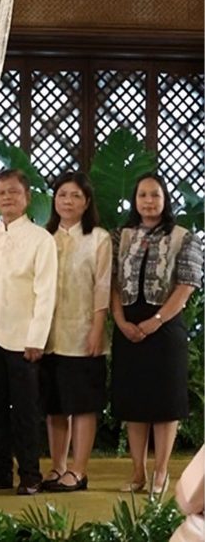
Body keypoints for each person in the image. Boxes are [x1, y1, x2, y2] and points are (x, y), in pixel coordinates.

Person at [111, 172, 202, 495]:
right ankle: (138, 473)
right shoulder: (120, 236)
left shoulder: (184, 237)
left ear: (165, 200)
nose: (149, 201)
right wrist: (120, 322)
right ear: (135, 201)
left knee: (164, 404)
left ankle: (161, 472)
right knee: (134, 403)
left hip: (165, 329)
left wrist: (157, 320)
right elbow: (110, 284)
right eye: (143, 196)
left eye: (155, 195)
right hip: (128, 327)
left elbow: (188, 285)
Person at [0, 168, 56, 496]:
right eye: (2, 192)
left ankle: (31, 475)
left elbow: (45, 292)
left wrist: (37, 339)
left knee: (26, 409)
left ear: (27, 197)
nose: (7, 198)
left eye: (14, 192)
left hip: (23, 338)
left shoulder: (40, 239)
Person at [40, 172, 110, 493]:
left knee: (82, 405)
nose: (68, 201)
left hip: (83, 333)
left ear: (87, 202)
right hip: (48, 335)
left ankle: (79, 471)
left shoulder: (98, 238)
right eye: (62, 195)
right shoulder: (44, 238)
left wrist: (97, 328)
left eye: (75, 196)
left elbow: (103, 286)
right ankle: (58, 467)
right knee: (55, 406)